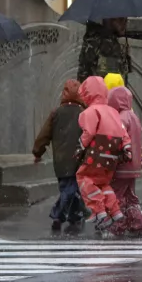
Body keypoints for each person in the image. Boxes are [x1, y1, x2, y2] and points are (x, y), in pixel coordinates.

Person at [76, 75, 131, 231]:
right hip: (112, 155)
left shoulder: (89, 112)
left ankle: (99, 210)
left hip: (96, 153)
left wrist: (80, 146)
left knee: (84, 178)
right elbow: (123, 131)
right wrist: (126, 146)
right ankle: (115, 210)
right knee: (103, 183)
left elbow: (89, 131)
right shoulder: (113, 112)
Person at [33, 80, 88, 232]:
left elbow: (44, 135)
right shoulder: (84, 114)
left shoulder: (56, 113)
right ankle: (58, 215)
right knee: (72, 190)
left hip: (61, 161)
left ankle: (73, 216)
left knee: (69, 188)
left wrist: (38, 152)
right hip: (79, 159)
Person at [108, 86, 142, 237]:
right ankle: (137, 223)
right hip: (133, 166)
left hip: (122, 165)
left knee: (116, 196)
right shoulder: (134, 117)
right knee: (130, 196)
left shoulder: (121, 118)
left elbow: (117, 140)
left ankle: (119, 225)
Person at [77, 18, 130, 83]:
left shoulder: (94, 38)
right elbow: (112, 79)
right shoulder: (104, 43)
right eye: (121, 19)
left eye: (126, 20)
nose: (125, 24)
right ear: (110, 19)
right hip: (100, 90)